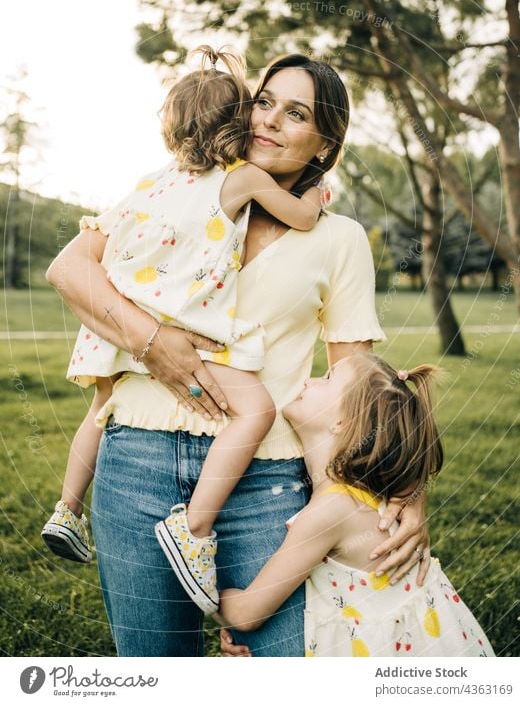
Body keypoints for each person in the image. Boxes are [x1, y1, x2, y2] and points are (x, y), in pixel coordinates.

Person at [46, 52, 429, 657]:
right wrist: (153, 342)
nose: (270, 119)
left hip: (266, 483)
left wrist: (404, 494)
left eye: (296, 112)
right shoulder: (172, 189)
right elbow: (69, 268)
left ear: (324, 145)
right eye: (265, 100)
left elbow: (357, 376)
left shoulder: (337, 236)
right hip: (136, 461)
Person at [41, 45, 325, 615]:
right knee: (256, 411)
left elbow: (94, 249)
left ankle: (68, 508)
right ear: (238, 127)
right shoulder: (240, 178)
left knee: (100, 412)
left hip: (119, 330)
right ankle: (194, 529)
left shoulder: (151, 182)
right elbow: (298, 216)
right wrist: (314, 202)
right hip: (183, 327)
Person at [219, 353, 495, 658]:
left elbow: (249, 613)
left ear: (341, 421)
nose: (309, 380)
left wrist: (211, 597)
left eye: (325, 379)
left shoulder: (331, 510)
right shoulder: (362, 495)